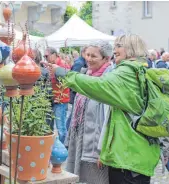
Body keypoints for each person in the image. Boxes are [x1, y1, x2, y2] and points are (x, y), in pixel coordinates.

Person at [45, 34, 160, 184]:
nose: (115, 49)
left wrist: (63, 73)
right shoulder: (138, 70)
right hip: (135, 154)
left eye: (119, 46)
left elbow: (97, 86)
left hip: (127, 156)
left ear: (131, 50)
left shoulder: (126, 73)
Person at [66, 40, 113, 184]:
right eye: (87, 55)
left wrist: (103, 151)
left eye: (94, 56)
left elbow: (108, 119)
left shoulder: (108, 80)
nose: (89, 59)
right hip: (81, 140)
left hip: (95, 148)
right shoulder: (87, 74)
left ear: (106, 58)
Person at [44, 47, 70, 144]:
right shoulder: (51, 65)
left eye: (47, 56)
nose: (45, 58)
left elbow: (66, 80)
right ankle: (52, 147)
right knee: (50, 125)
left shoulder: (62, 64)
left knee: (60, 127)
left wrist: (53, 73)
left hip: (61, 100)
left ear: (54, 54)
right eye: (44, 56)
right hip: (53, 99)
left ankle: (64, 146)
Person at [66, 47, 88, 131]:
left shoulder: (82, 62)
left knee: (73, 116)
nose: (89, 57)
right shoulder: (79, 63)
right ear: (83, 53)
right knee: (72, 117)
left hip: (78, 94)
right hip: (76, 94)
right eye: (88, 54)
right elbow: (73, 78)